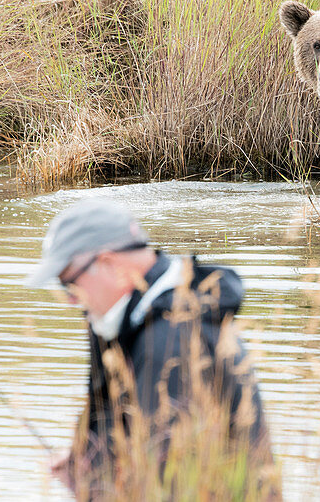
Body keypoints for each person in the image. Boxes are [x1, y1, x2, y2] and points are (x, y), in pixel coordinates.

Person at [27, 198, 279, 500]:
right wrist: (89, 461)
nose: (69, 299)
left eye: (68, 283)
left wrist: (94, 489)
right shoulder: (130, 319)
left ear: (107, 263)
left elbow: (170, 484)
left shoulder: (172, 341)